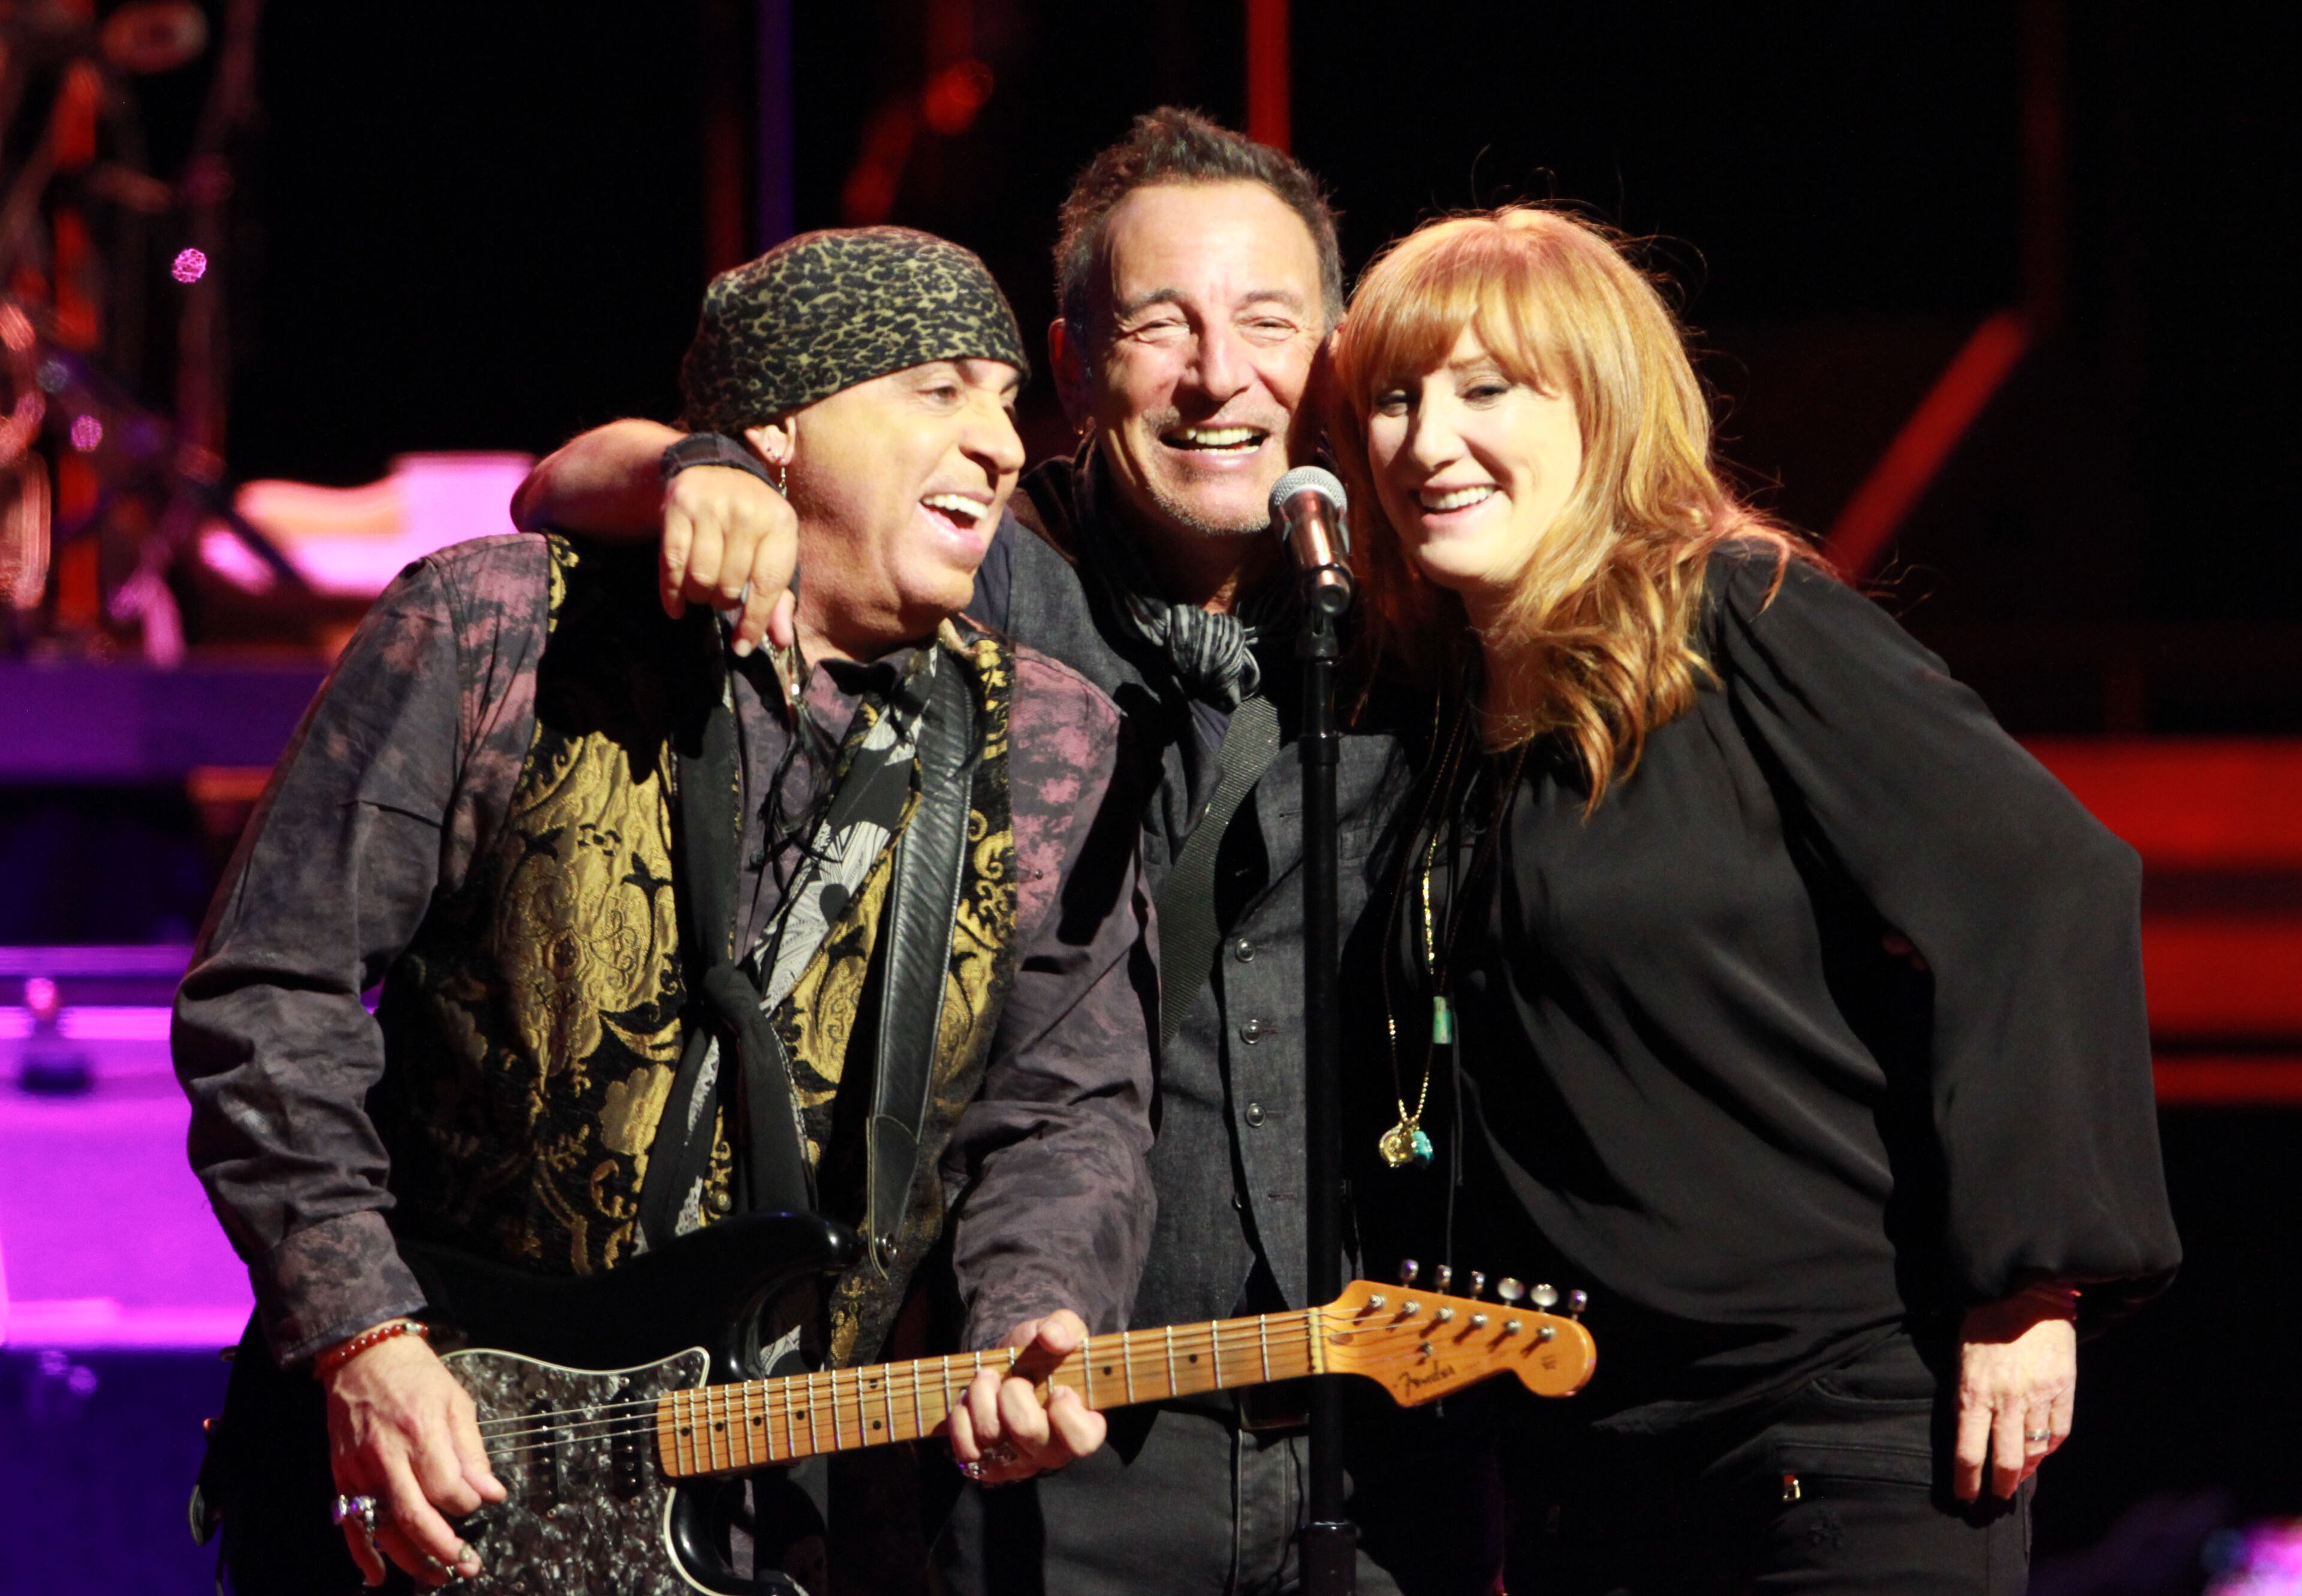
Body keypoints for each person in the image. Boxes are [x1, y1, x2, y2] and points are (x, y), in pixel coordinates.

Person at [511, 110, 1493, 1596]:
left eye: (1268, 322)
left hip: (1371, 1425)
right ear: (1075, 362)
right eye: (1162, 324)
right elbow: (562, 483)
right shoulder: (977, 572)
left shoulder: (1404, 614)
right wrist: (700, 467)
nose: (1219, 374)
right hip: (1041, 1432)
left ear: (1340, 351)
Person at [175, 225, 1158, 1595]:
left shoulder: (1049, 741)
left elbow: (1068, 1101)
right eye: (937, 389)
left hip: (797, 1519)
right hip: (426, 1487)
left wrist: (1037, 1305)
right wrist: (363, 1334)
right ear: (780, 424)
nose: (1000, 442)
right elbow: (268, 1000)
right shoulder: (501, 631)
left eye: (1005, 396)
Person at [1322, 204, 2183, 1594]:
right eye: (1395, 399)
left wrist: (2033, 1282)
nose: (1427, 442)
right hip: (1591, 1470)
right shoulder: (1435, 726)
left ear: (1603, 410)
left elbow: (2043, 874)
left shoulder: (1738, 615)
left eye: (1487, 390)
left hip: (1834, 1434)